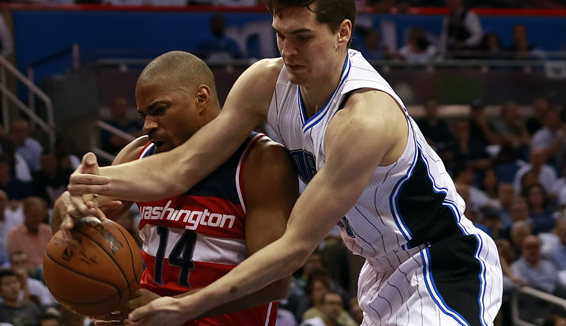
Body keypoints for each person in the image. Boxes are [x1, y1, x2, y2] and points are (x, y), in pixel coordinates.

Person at [68, 1, 502, 325]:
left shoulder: (364, 118)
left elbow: (293, 248)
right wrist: (90, 184)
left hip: (442, 263)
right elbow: (180, 167)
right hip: (379, 268)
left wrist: (186, 306)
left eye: (303, 37)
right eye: (280, 34)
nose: (288, 50)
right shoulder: (265, 81)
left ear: (342, 33)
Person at [57, 51, 298, 325]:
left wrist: (175, 308)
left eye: (159, 110)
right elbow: (67, 236)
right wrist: (67, 205)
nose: (147, 125)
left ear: (201, 98)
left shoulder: (261, 161)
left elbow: (273, 283)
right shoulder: (139, 154)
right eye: (144, 115)